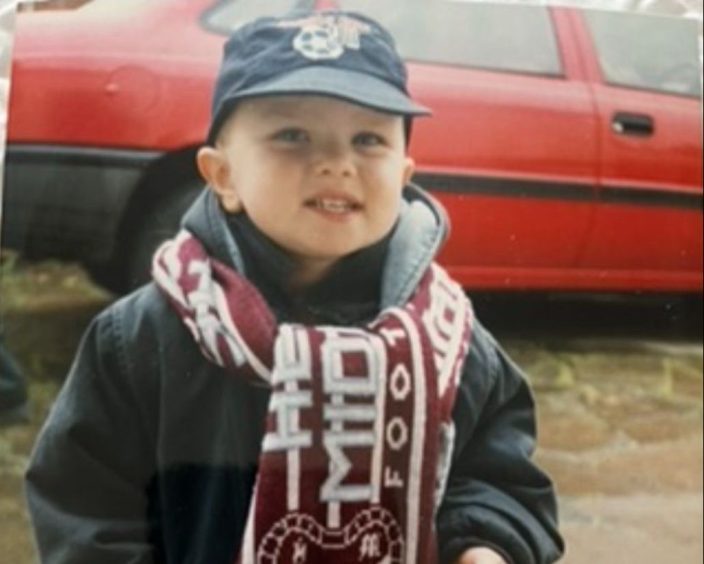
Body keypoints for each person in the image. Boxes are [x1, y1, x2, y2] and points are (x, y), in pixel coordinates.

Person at [25, 10, 564, 564]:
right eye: (292, 136)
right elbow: (82, 505)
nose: (336, 162)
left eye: (367, 139)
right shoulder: (144, 335)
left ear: (404, 176)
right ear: (223, 176)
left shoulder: (449, 341)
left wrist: (486, 543)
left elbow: (502, 480)